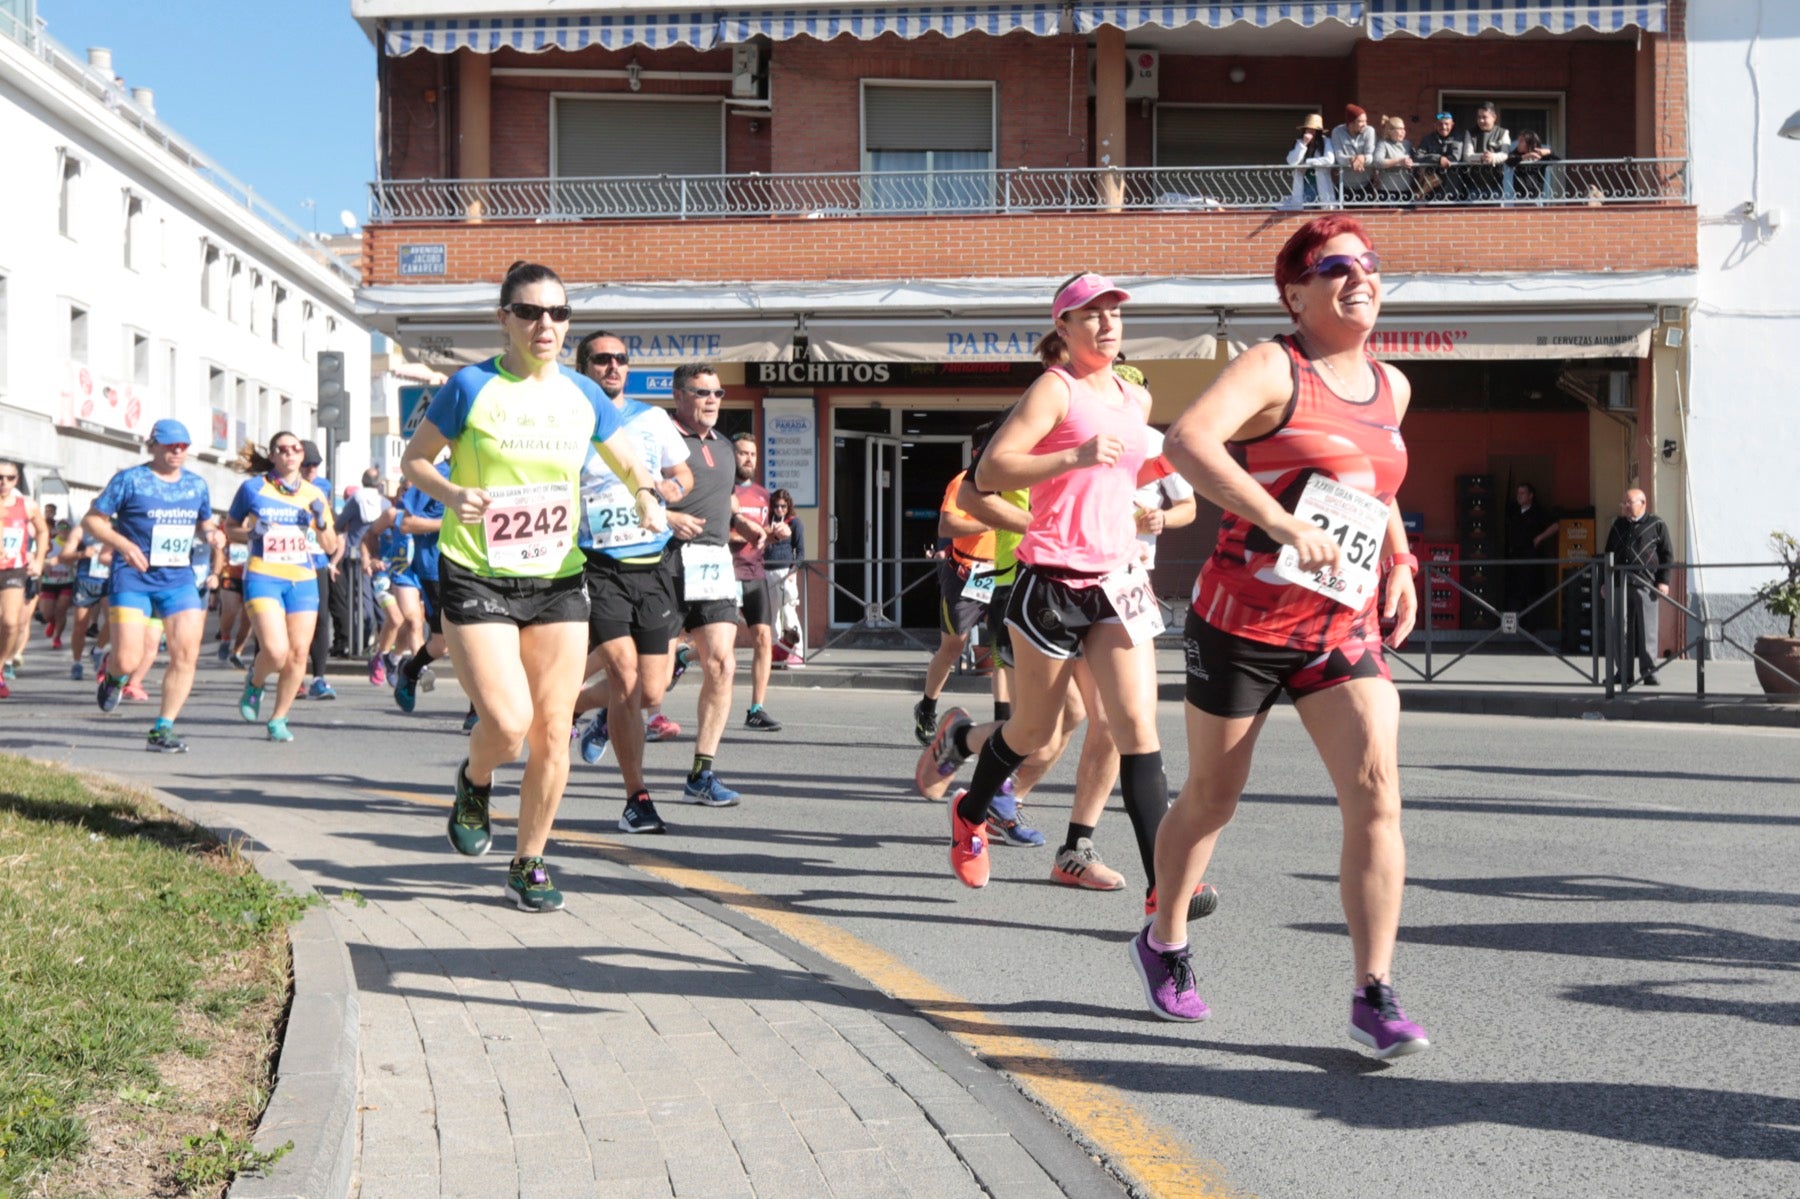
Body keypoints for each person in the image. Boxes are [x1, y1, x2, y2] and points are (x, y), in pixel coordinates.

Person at [1153, 214, 1427, 1060]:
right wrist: (1278, 521)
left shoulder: (1392, 386)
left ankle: (1373, 991)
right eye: (1335, 266)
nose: (1359, 277)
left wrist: (1401, 559)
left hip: (1339, 624)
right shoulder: (1276, 366)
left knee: (1377, 789)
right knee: (1212, 796)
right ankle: (1164, 938)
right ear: (1295, 294)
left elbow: (1374, 487)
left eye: (1368, 264)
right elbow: (1187, 440)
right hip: (1242, 620)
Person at [399, 260, 663, 912]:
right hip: (477, 573)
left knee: (551, 729)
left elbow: (629, 460)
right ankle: (475, 778)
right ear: (505, 319)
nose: (545, 323)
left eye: (558, 312)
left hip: (558, 578)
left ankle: (529, 861)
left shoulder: (583, 393)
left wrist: (646, 496)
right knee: (509, 723)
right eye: (529, 311)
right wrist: (451, 493)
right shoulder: (471, 386)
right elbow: (414, 460)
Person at [919, 272, 1168, 901]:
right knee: (1033, 730)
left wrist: (1153, 511)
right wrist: (1073, 457)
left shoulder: (1136, 400)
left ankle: (1164, 889)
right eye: (1092, 314)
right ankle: (970, 812)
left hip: (1118, 581)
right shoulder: (1055, 389)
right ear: (1064, 326)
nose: (1107, 324)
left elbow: (1137, 476)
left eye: (1115, 313)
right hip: (1052, 582)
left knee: (1135, 728)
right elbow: (990, 472)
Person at [564, 327, 692, 836]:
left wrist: (670, 489)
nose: (612, 366)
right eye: (601, 359)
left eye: (619, 358)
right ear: (583, 368)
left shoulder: (652, 418)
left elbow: (683, 476)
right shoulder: (570, 422)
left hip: (652, 566)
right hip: (598, 566)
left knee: (652, 689)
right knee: (624, 675)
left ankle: (579, 705)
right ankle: (636, 798)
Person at [81, 422, 222, 750]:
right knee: (128, 659)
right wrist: (124, 545)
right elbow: (91, 520)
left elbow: (204, 522)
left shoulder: (196, 485)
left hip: (178, 579)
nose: (177, 451)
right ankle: (114, 674)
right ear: (153, 445)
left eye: (183, 446)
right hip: (133, 577)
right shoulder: (130, 480)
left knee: (186, 654)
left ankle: (162, 729)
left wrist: (212, 533)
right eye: (171, 445)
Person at [662, 362, 755, 808]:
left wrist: (744, 524)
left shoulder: (723, 446)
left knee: (722, 664)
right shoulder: (661, 438)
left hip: (714, 563)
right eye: (702, 393)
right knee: (649, 682)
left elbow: (725, 496)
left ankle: (702, 773)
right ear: (679, 395)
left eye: (718, 393)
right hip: (665, 562)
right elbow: (629, 491)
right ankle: (591, 709)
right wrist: (667, 517)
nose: (713, 400)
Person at [227, 432, 339, 743]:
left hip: (302, 578)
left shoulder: (315, 493)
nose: (290, 454)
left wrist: (321, 520)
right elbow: (231, 528)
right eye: (282, 449)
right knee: (276, 652)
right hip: (263, 576)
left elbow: (330, 546)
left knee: (298, 653)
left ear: (302, 456)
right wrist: (251, 533)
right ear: (273, 455)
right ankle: (256, 681)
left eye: (295, 449)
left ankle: (279, 718)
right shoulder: (253, 488)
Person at [913, 443, 1009, 746]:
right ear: (979, 452)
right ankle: (927, 708)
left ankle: (1002, 725)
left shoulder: (1012, 482)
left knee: (1002, 652)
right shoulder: (963, 482)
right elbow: (947, 524)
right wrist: (988, 522)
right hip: (966, 574)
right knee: (952, 647)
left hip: (1001, 573)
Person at [729, 431, 784, 731]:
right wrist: (746, 535)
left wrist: (776, 535)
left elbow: (763, 535)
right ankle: (685, 656)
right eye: (742, 453)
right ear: (732, 455)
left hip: (755, 573)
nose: (748, 459)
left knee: (764, 638)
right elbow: (715, 531)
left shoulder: (764, 495)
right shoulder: (723, 490)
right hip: (726, 572)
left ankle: (756, 709)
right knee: (720, 644)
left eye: (752, 454)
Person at [391, 460, 452, 716]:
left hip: (477, 567)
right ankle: (410, 669)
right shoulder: (435, 474)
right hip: (435, 569)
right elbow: (406, 524)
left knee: (473, 639)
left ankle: (476, 711)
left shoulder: (488, 470)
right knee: (441, 644)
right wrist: (450, 522)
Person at [1603, 487, 1673, 687]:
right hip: (1620, 583)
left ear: (1643, 503)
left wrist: (1663, 581)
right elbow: (1608, 552)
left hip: (1646, 583)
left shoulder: (1657, 524)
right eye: (1623, 503)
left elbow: (1667, 554)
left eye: (1629, 503)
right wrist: (1605, 582)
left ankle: (1649, 672)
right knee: (1621, 629)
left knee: (1647, 630)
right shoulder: (1618, 524)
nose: (1625, 506)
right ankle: (1623, 672)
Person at [0, 459, 49, 700]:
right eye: (0, 478)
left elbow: (43, 530)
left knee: (11, 623)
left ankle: (0, 667)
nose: (4, 482)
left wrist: (39, 559)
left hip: (13, 570)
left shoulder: (27, 505)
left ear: (17, 480)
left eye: (9, 478)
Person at [298, 442, 340, 699]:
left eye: (315, 465)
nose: (311, 469)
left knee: (321, 619)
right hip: (292, 562)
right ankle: (294, 676)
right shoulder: (281, 488)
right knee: (294, 621)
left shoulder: (322, 487)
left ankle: (319, 678)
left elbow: (332, 527)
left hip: (318, 561)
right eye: (307, 465)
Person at [1503, 483, 1561, 630]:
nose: (1519, 496)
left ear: (1531, 496)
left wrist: (1540, 538)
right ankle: (1514, 628)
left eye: (1523, 493)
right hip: (1515, 559)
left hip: (1532, 560)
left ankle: (1532, 630)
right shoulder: (1514, 512)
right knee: (1515, 594)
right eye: (1518, 493)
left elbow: (1556, 526)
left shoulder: (1538, 512)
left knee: (1532, 593)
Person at [763, 488, 806, 664]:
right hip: (767, 572)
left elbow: (801, 552)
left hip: (785, 573)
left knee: (789, 614)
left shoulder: (795, 523)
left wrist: (793, 571)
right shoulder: (767, 522)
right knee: (772, 616)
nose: (779, 509)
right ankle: (776, 653)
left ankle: (798, 652)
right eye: (776, 506)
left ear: (788, 506)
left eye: (783, 506)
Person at [38, 513, 75, 651]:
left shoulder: (74, 545)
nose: (64, 530)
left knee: (61, 611)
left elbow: (79, 561)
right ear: (57, 529)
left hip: (67, 581)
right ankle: (52, 623)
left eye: (67, 528)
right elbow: (40, 559)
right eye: (61, 527)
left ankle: (57, 637)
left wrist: (72, 562)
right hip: (50, 582)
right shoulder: (51, 543)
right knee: (47, 614)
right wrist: (44, 567)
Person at [1284, 113, 1336, 209]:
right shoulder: (1299, 143)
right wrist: (1303, 144)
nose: (1310, 132)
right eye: (1308, 129)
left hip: (1320, 184)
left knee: (1323, 209)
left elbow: (1330, 160)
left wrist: (1307, 163)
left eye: (1313, 130)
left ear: (1318, 132)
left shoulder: (1326, 142)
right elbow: (1291, 161)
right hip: (1303, 185)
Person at [1463, 101, 1512, 202]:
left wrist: (1493, 157)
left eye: (1484, 117)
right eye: (1479, 117)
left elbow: (1505, 154)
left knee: (1494, 212)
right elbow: (1467, 156)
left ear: (1494, 117)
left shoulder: (1503, 132)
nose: (1481, 120)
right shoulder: (1470, 132)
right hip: (1473, 183)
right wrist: (1482, 157)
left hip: (1496, 183)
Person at [1329, 104, 1376, 203]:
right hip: (1344, 184)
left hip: (1366, 183)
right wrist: (1352, 159)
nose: (1364, 124)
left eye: (1365, 121)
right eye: (1360, 121)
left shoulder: (1370, 131)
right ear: (1350, 122)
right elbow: (1339, 157)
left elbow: (1371, 156)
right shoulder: (1337, 132)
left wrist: (1362, 158)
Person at [1414, 112, 1466, 202]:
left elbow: (1455, 157)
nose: (1443, 127)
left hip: (1452, 188)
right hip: (1431, 189)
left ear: (1452, 125)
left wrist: (1433, 159)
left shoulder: (1458, 138)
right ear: (1435, 125)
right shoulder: (1427, 139)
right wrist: (1438, 159)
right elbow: (1418, 157)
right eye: (1440, 124)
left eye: (1447, 124)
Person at [1371, 116, 1416, 201]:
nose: (1403, 131)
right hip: (1387, 189)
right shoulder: (1383, 144)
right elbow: (1377, 161)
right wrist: (1399, 161)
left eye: (1404, 129)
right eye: (1400, 129)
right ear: (1390, 131)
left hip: (1406, 189)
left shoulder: (1407, 144)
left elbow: (1416, 159)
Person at [1506, 131, 1559, 202]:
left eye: (1521, 141)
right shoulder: (1517, 153)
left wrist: (1549, 152)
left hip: (1537, 195)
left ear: (1530, 143)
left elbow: (1557, 160)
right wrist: (1525, 157)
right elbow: (1509, 161)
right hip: (1519, 195)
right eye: (1518, 141)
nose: (1518, 144)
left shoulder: (1540, 154)